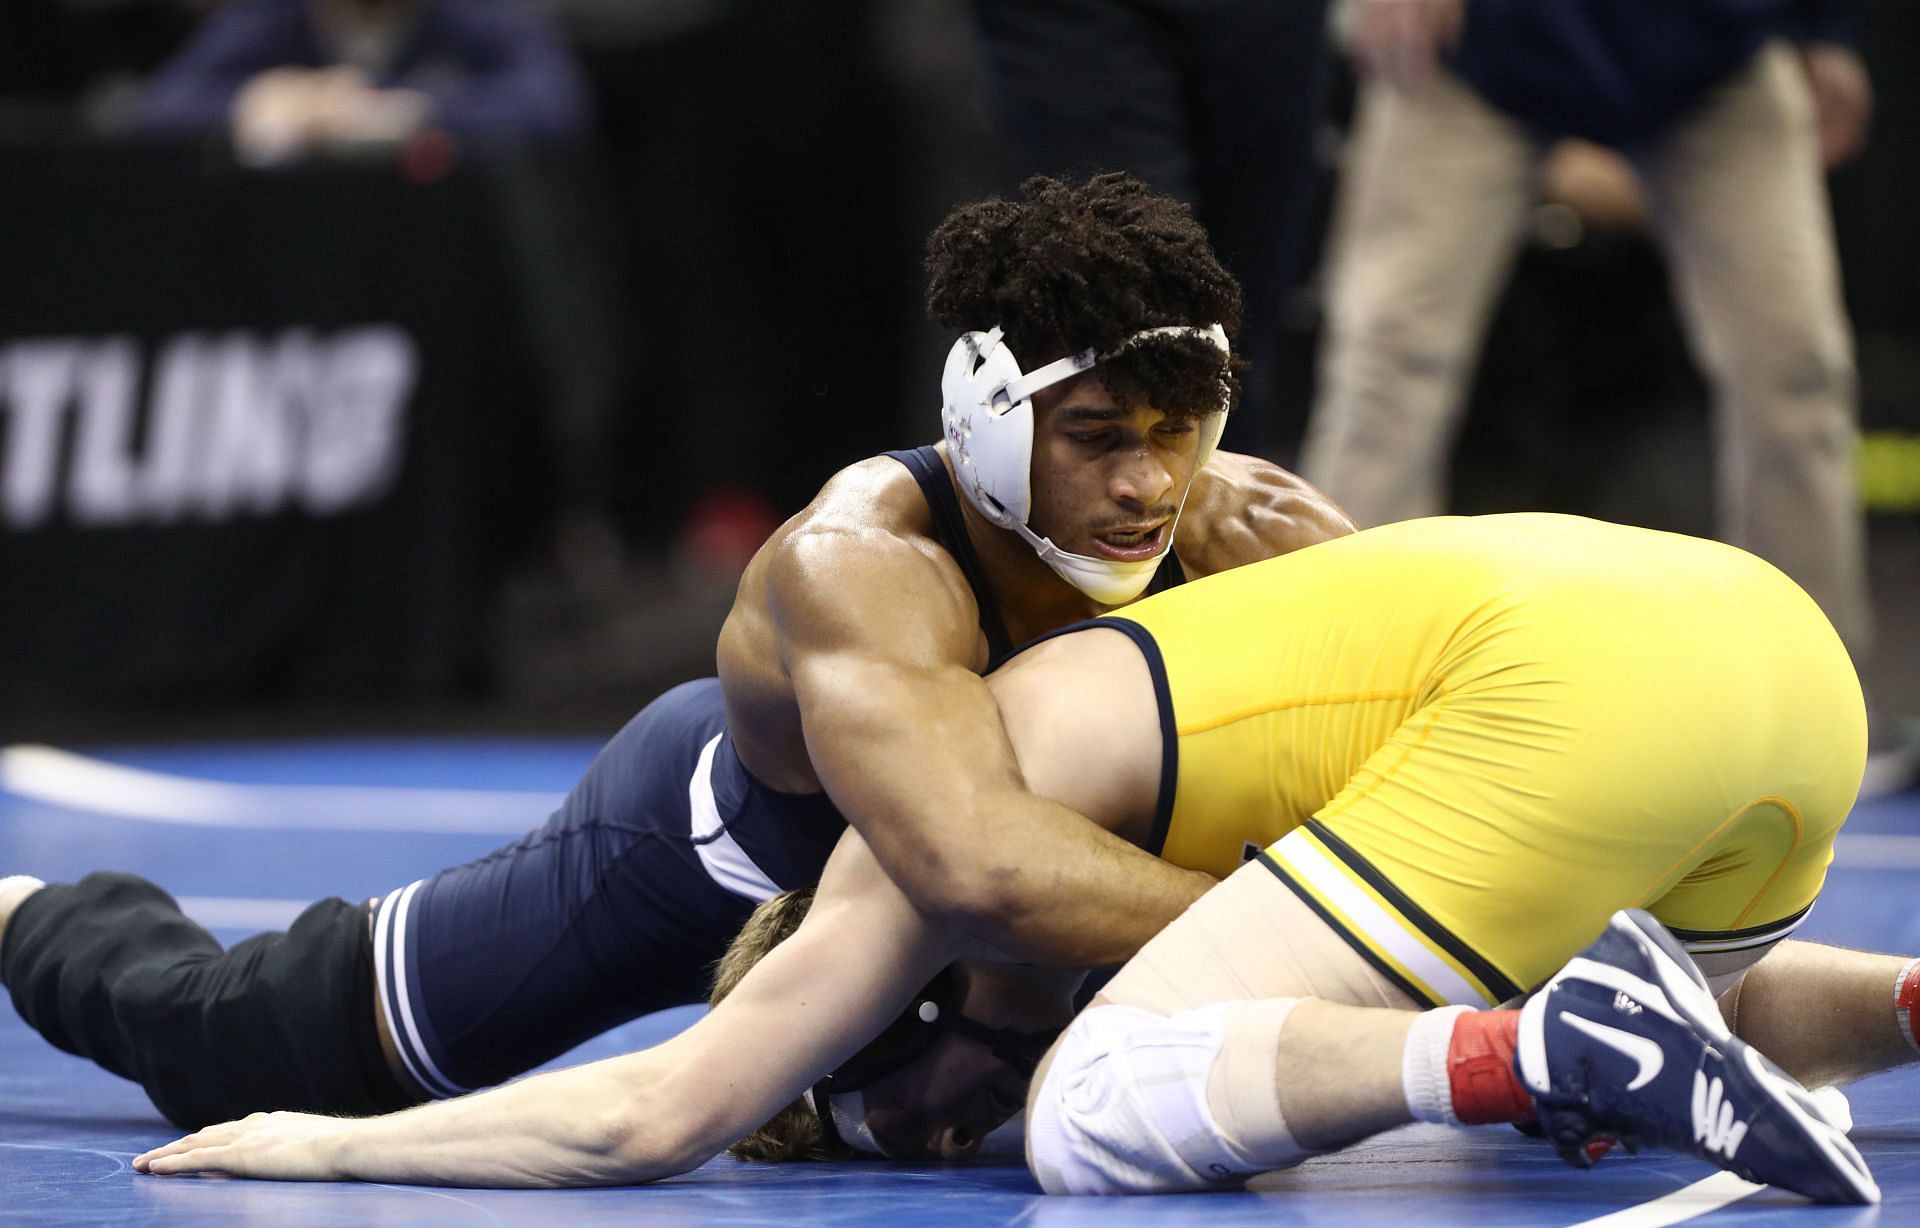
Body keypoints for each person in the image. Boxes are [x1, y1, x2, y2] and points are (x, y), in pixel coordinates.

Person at [0, 173, 1352, 1132]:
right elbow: (976, 868)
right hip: (698, 862)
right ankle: (30, 914)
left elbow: (1447, 719)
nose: (1147, 485)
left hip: (973, 909)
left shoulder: (1252, 523)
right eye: (1101, 436)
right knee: (245, 1045)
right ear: (993, 429)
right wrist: (1337, 927)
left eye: (1177, 434)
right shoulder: (863, 564)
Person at [129, 515, 1914, 1203]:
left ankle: (1534, 1058)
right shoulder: (1140, 673)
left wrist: (331, 1143)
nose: (967, 1107)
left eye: (918, 1093)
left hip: (1596, 681)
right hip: (1770, 655)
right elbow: (1688, 967)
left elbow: (644, 1116)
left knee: (1106, 1110)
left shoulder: (941, 832)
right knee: (1670, 996)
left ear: (882, 1007)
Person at [1296, 0, 1914, 792]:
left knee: (1796, 370)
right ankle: (1333, 697)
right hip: (1476, 55)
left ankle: (1816, 709)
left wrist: (1827, 31)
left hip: (1710, 56)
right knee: (1386, 369)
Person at [969, 0, 1337, 460]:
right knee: (1131, 314)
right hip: (1076, 21)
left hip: (1267, 20)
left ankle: (1214, 520)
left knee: (1239, 339)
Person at [131, 0, 593, 161]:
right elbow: (155, 110)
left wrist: (415, 111)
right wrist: (258, 102)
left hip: (444, 264)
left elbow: (556, 101)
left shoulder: (467, 17)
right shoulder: (274, 18)